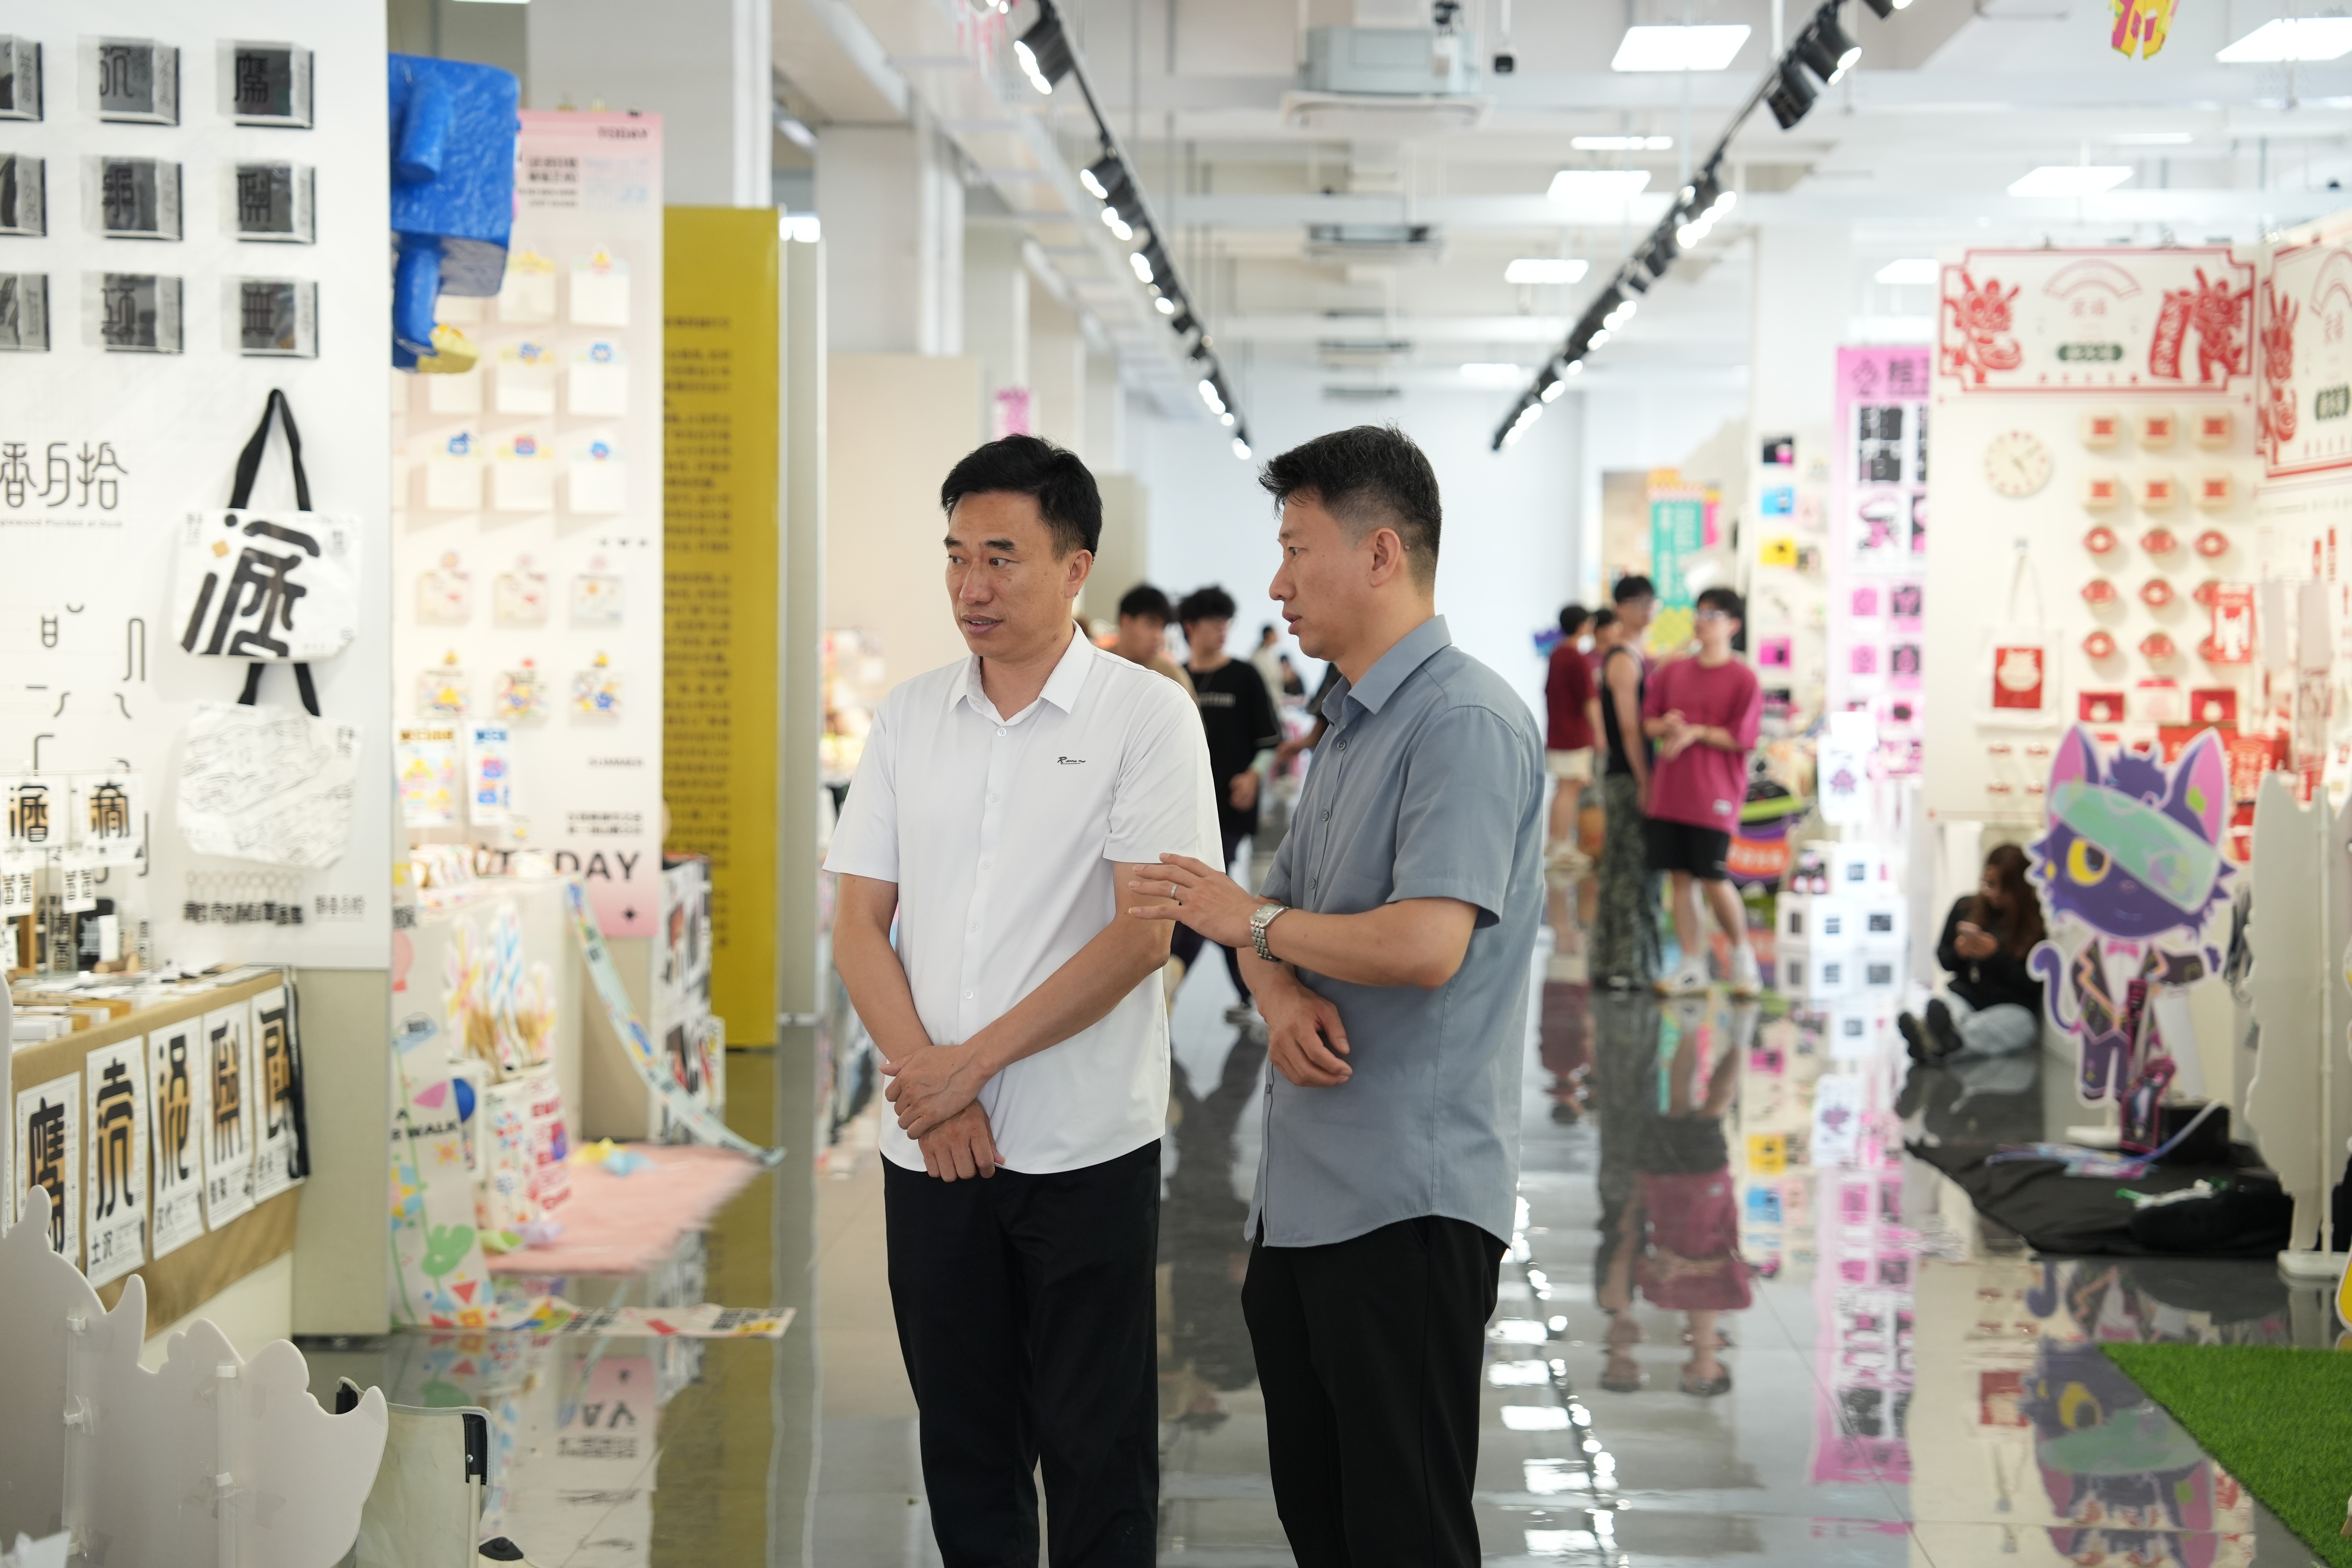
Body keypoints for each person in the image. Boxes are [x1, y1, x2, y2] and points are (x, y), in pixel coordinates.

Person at [1126, 424, 1544, 1567]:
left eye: (1295, 549)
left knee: (1404, 1533)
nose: (1278, 582)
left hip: (1407, 1204)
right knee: (1325, 1524)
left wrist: (1252, 927)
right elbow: (1269, 910)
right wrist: (1273, 991)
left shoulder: (1462, 721)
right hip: (1305, 1201)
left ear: (1379, 554)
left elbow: (1422, 944)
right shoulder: (1354, 723)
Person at [825, 434, 1218, 1567]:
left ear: (1075, 566)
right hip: (932, 1152)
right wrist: (935, 1088)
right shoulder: (909, 718)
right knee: (965, 1447)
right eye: (956, 556)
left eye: (1001, 556)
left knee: (1097, 1452)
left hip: (1083, 1144)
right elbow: (858, 924)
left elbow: (1142, 936)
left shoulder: (1146, 718)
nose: (971, 586)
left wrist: (969, 1066)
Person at [1641, 586, 1763, 996]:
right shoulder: (1674, 671)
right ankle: (1692, 965)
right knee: (1681, 880)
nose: (1703, 621)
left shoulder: (1744, 678)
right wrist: (1668, 726)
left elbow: (1743, 737)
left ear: (1734, 625)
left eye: (1714, 615)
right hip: (1671, 792)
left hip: (1716, 795)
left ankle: (1743, 959)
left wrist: (1697, 732)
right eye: (1700, 612)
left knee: (1714, 877)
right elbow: (1649, 722)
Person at [1174, 585, 1281, 1023]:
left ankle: (1171, 982)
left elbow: (1270, 740)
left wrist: (1254, 774)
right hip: (1182, 809)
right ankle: (1249, 990)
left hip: (1230, 808)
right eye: (1213, 623)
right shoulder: (1175, 675)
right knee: (1209, 898)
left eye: (1226, 623)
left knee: (1203, 891)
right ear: (1190, 627)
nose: (1222, 631)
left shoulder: (1244, 676)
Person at [1901, 843, 2046, 1062]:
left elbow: (2033, 984)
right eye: (1990, 884)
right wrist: (1960, 952)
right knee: (1951, 1013)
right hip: (1965, 997)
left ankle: (1934, 1041)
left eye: (2005, 888)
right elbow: (1945, 959)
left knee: (2018, 1026)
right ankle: (1941, 1040)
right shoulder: (1965, 907)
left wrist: (1996, 956)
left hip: (2010, 1007)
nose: (1995, 895)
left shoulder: (2034, 923)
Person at [1592, 576, 1659, 990]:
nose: (1646, 609)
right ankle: (1624, 964)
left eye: (1650, 602)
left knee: (1632, 868)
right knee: (1628, 871)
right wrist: (1645, 779)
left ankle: (1625, 963)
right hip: (1626, 776)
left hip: (1630, 774)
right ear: (1620, 608)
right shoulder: (1622, 659)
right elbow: (1630, 728)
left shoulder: (1636, 653)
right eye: (1637, 603)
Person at [1545, 603, 1597, 870]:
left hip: (1559, 733)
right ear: (1584, 625)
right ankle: (1561, 845)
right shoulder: (1576, 658)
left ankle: (1557, 843)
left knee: (1564, 788)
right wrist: (1599, 734)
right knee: (1570, 788)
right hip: (1574, 735)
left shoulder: (1557, 655)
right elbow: (1589, 700)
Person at [1108, 583, 1196, 698]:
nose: (1158, 637)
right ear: (1125, 622)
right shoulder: (1098, 664)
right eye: (1151, 624)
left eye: (1162, 628)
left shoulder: (1172, 677)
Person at [1251, 620, 1287, 697]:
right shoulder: (1258, 656)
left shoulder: (1271, 654)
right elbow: (1263, 679)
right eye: (1275, 634)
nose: (1278, 636)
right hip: (1265, 696)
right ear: (1268, 636)